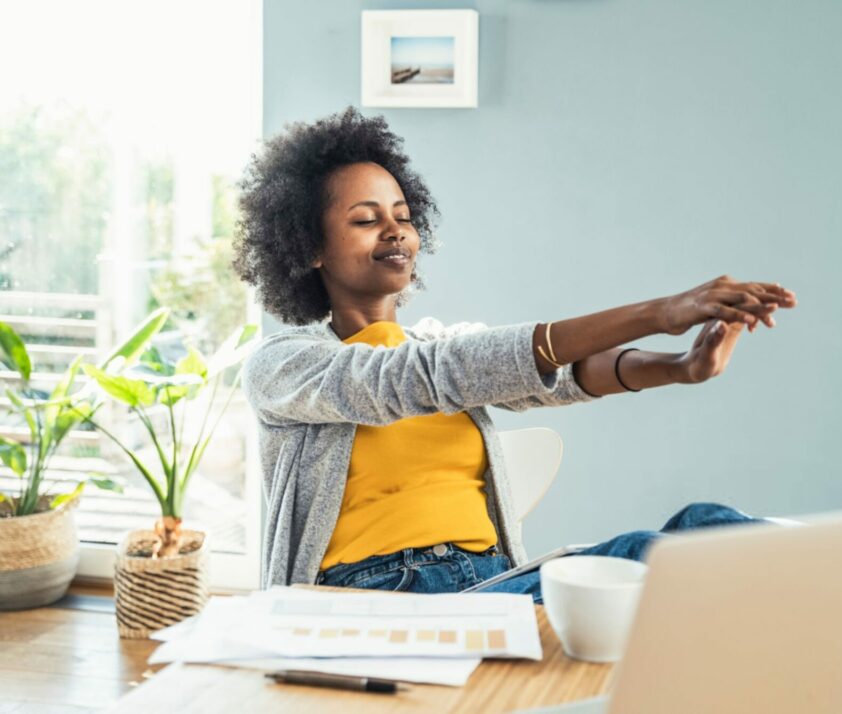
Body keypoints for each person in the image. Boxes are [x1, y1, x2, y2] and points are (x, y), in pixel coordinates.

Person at [233, 107, 798, 601]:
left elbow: (557, 375)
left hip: (490, 584)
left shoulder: (440, 344)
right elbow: (410, 379)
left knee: (708, 527)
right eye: (365, 219)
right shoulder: (284, 365)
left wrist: (679, 367)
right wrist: (660, 311)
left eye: (403, 216)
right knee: (647, 555)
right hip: (374, 599)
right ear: (308, 247)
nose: (395, 231)